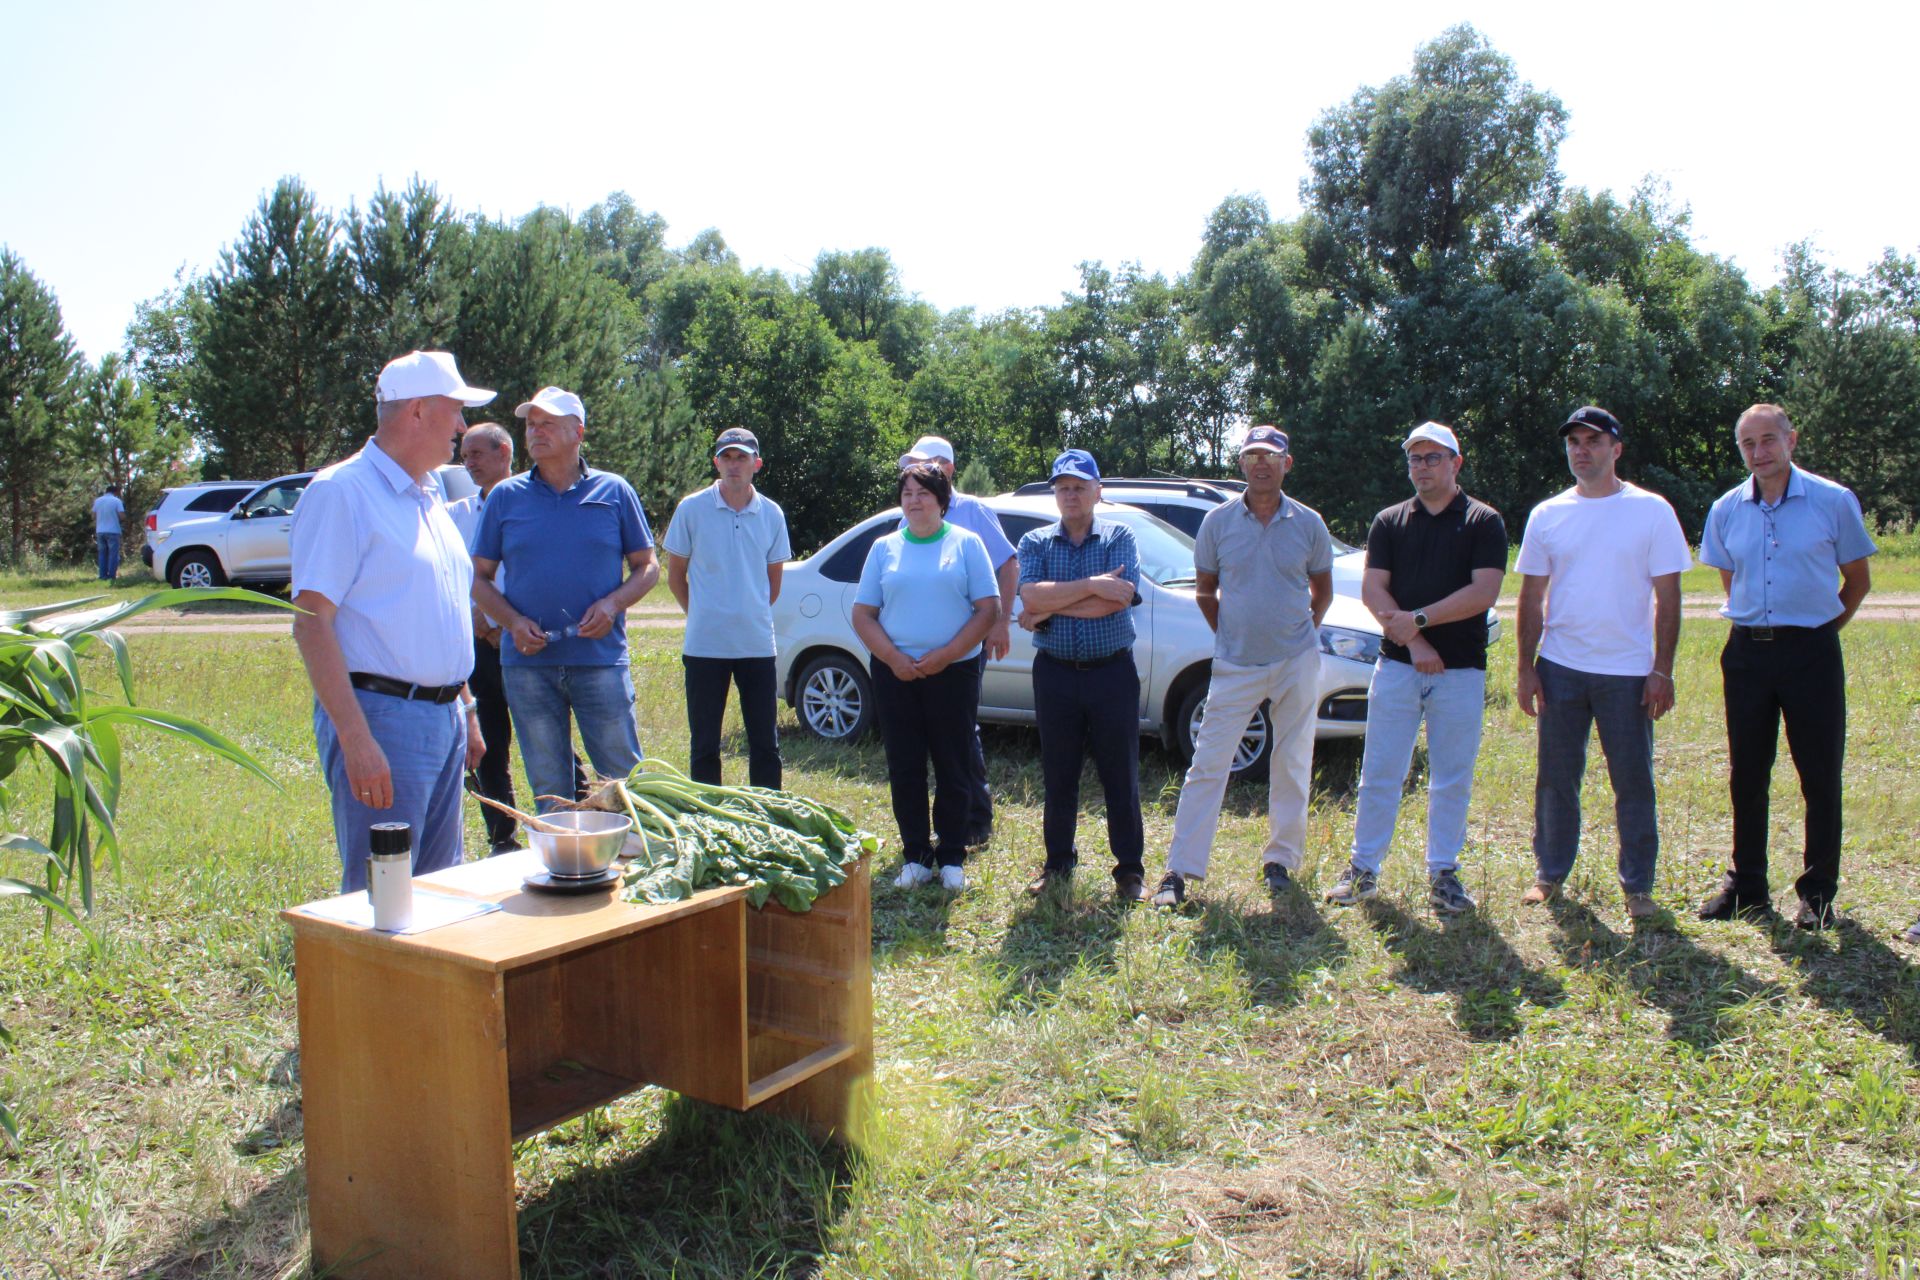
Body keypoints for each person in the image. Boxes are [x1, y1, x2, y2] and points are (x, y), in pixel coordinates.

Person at [289, 350, 491, 891]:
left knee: (438, 895)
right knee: (384, 897)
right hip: (381, 718)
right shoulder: (342, 493)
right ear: (419, 411)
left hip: (442, 719)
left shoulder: (428, 494)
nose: (462, 426)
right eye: (455, 410)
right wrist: (356, 740)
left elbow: (439, 609)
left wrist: (465, 707)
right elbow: (311, 622)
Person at [1695, 404, 1875, 930]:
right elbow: (1732, 581)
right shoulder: (1726, 509)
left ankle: (1817, 893)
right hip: (1748, 653)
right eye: (1748, 444)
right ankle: (1747, 885)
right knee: (1747, 772)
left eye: (1769, 440)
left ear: (1791, 440)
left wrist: (1818, 634)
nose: (1759, 452)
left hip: (1811, 653)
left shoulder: (1832, 501)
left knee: (1819, 775)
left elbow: (1857, 581)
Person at [1515, 406, 1691, 918]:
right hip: (1561, 667)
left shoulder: (1652, 510)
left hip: (1629, 672)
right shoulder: (1548, 514)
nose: (1582, 451)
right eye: (1574, 442)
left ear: (1616, 449)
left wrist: (1662, 669)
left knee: (1633, 780)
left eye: (1593, 441)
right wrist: (1527, 668)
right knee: (1555, 777)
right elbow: (1530, 597)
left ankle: (1638, 886)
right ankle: (1549, 873)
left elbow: (1670, 595)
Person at [1326, 423, 1506, 915]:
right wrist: (1417, 642)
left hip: (1460, 671)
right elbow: (1373, 591)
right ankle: (1363, 870)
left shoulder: (1483, 522)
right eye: (1415, 459)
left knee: (1451, 776)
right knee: (1381, 770)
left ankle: (1444, 874)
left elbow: (1482, 593)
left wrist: (1419, 620)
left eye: (1432, 458)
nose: (1422, 467)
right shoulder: (1389, 521)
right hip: (1399, 668)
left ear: (1455, 463)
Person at [1151, 426, 1333, 907]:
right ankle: (1180, 871)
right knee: (1208, 764)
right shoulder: (1217, 522)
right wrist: (1230, 633)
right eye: (1252, 455)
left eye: (1270, 456)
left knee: (1292, 762)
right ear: (1241, 464)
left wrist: (1302, 631)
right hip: (1235, 663)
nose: (1261, 464)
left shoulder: (1309, 523)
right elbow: (1206, 590)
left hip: (1296, 660)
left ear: (1286, 464)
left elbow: (1323, 590)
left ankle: (1281, 862)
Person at [471, 386, 658, 811]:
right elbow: (479, 579)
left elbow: (647, 566)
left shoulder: (614, 491)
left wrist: (612, 605)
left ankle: (637, 862)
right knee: (550, 789)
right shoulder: (505, 497)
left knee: (623, 782)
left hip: (600, 661)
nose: (536, 433)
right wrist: (512, 623)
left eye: (548, 424)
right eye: (531, 425)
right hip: (527, 666)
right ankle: (565, 869)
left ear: (579, 432)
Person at [851, 463, 999, 891]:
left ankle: (951, 854)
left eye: (924, 493)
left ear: (942, 499)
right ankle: (915, 854)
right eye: (907, 493)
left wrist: (947, 655)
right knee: (905, 764)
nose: (914, 501)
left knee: (954, 763)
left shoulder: (967, 544)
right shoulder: (884, 548)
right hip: (895, 673)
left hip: (953, 671)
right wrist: (894, 658)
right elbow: (863, 614)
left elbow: (987, 609)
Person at [1016, 449, 1148, 902]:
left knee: (1120, 773)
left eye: (1078, 486)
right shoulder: (1035, 542)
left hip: (1112, 673)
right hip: (1055, 675)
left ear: (1097, 491)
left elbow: (1118, 600)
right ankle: (1057, 865)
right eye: (1062, 488)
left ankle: (1129, 870)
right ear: (1055, 493)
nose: (1070, 495)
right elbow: (1030, 594)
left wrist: (1050, 607)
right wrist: (1093, 584)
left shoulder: (1119, 535)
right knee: (1059, 773)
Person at [899, 434, 1017, 846]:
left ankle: (975, 820)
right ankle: (944, 824)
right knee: (935, 732)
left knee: (961, 729)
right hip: (918, 648)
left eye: (925, 465)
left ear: (947, 468)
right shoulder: (910, 514)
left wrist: (999, 624)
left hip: (965, 642)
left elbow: (1009, 563)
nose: (914, 480)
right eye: (909, 469)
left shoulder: (973, 511)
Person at [663, 427, 793, 789]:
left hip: (755, 645)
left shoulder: (771, 514)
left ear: (757, 464)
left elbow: (773, 583)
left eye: (742, 458)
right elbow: (676, 577)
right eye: (727, 457)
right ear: (716, 462)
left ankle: (767, 819)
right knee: (704, 745)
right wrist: (704, 615)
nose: (734, 465)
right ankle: (710, 819)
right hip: (705, 646)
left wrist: (744, 612)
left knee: (765, 745)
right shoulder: (692, 508)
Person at [446, 423, 523, 853]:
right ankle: (502, 837)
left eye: (477, 453)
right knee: (489, 744)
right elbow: (453, 575)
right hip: (477, 645)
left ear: (504, 452)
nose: (468, 462)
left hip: (523, 640)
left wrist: (505, 621)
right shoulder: (455, 515)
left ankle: (577, 821)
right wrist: (478, 618)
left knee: (545, 738)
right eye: (464, 454)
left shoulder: (532, 504)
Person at [92, 485, 124, 582]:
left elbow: (93, 516)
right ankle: (111, 575)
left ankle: (102, 575)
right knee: (113, 554)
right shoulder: (116, 501)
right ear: (116, 492)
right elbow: (122, 516)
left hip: (100, 530)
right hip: (113, 530)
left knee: (102, 554)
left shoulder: (97, 501)